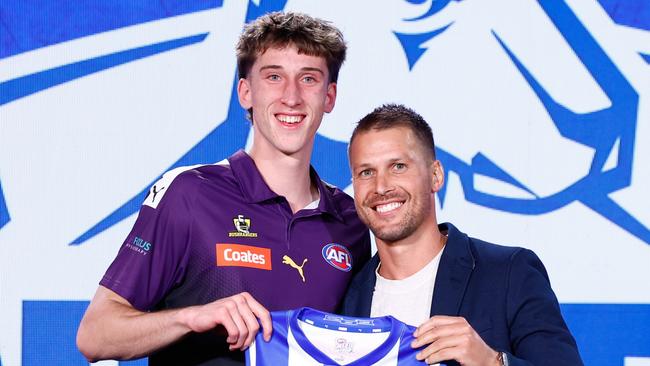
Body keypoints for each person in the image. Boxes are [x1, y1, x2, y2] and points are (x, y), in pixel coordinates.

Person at [76, 12, 370, 366]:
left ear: (329, 97)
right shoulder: (191, 193)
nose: (291, 97)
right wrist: (191, 318)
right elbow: (95, 335)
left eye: (308, 79)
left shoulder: (350, 221)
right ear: (245, 92)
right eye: (274, 77)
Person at [340, 104, 583, 365]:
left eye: (398, 166)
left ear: (435, 176)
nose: (382, 186)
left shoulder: (510, 272)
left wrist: (492, 362)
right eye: (366, 172)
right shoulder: (347, 295)